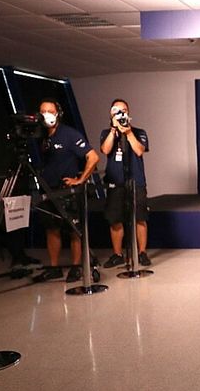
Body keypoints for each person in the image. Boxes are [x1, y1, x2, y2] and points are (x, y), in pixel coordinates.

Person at [33, 98, 99, 282]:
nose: (46, 114)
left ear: (58, 114)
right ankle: (54, 268)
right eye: (42, 111)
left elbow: (93, 157)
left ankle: (77, 267)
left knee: (73, 230)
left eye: (50, 111)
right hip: (48, 189)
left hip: (67, 191)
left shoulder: (69, 134)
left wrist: (80, 180)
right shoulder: (42, 136)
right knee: (51, 229)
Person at [100, 98, 150, 268]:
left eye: (124, 110)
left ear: (129, 112)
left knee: (140, 218)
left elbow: (139, 150)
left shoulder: (139, 132)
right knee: (115, 220)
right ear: (111, 113)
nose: (121, 113)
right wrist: (114, 130)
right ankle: (117, 254)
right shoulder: (106, 133)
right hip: (115, 182)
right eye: (117, 110)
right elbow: (105, 150)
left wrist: (128, 133)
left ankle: (142, 252)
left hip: (136, 181)